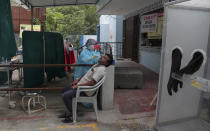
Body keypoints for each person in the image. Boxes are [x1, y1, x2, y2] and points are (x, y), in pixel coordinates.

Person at [59, 54, 113, 123]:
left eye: (104, 58)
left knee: (65, 96)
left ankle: (73, 115)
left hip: (85, 90)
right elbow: (87, 75)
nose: (102, 57)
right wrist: (77, 81)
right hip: (81, 85)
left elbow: (92, 83)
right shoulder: (97, 65)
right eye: (103, 56)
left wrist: (78, 86)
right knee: (64, 90)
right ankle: (70, 112)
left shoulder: (101, 69)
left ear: (106, 63)